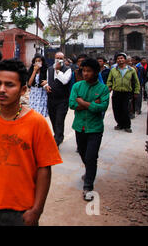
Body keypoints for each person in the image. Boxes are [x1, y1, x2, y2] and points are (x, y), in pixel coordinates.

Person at [0, 59, 62, 226]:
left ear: (23, 90)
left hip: (22, 209)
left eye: (9, 85)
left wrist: (37, 209)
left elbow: (44, 168)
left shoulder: (37, 123)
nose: (1, 89)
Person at [69, 58, 110, 201]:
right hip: (79, 126)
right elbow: (72, 104)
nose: (85, 74)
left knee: (91, 157)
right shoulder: (77, 86)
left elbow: (102, 107)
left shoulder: (103, 89)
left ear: (96, 72)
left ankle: (88, 187)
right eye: (84, 71)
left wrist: (83, 102)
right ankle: (89, 172)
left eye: (89, 71)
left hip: (95, 128)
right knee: (82, 152)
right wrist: (92, 104)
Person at [43, 52, 73, 147]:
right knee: (53, 119)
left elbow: (64, 81)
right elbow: (47, 81)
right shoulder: (49, 69)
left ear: (64, 59)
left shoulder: (67, 70)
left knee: (59, 120)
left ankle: (57, 140)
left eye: (61, 58)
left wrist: (58, 71)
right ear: (54, 58)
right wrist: (46, 86)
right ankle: (58, 135)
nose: (59, 59)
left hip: (62, 99)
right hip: (51, 98)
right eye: (57, 58)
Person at [106, 52, 141, 133]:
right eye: (118, 58)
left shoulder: (131, 70)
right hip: (116, 92)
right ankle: (119, 124)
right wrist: (109, 86)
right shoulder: (113, 70)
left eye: (122, 58)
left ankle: (127, 125)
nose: (120, 60)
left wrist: (136, 91)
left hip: (127, 92)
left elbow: (136, 82)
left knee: (125, 109)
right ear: (116, 60)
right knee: (117, 109)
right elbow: (109, 80)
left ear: (125, 60)